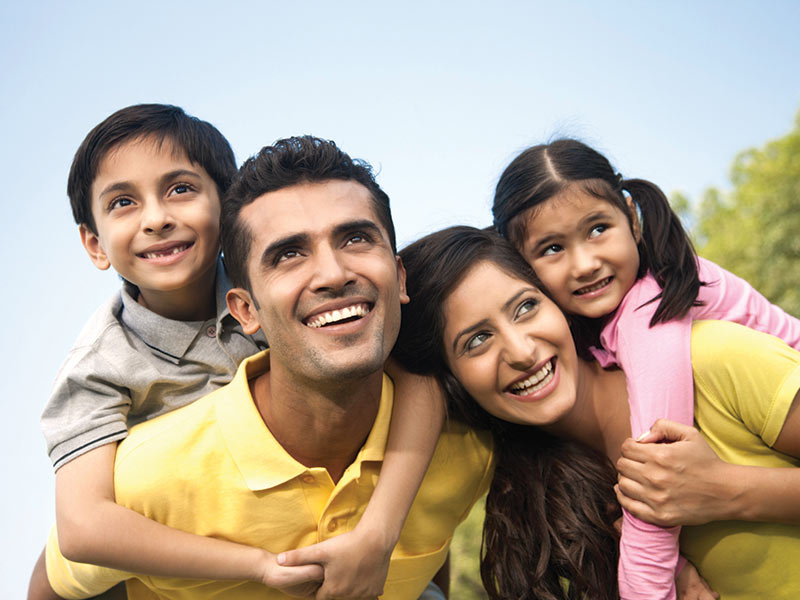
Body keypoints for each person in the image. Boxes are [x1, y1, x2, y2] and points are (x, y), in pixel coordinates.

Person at [41, 136, 494, 600]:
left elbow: (415, 370)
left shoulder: (465, 449)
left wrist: (381, 534)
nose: (157, 219)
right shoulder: (102, 381)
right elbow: (81, 532)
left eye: (180, 190)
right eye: (289, 253)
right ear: (245, 309)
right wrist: (260, 566)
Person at [393, 225, 800, 600]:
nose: (522, 351)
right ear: (451, 382)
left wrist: (726, 490)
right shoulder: (542, 499)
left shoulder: (711, 360)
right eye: (478, 340)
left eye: (526, 307)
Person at [491, 139, 800, 599]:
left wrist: (648, 589)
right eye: (553, 248)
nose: (585, 263)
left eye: (597, 229)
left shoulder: (648, 315)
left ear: (632, 219)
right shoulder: (599, 335)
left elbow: (656, 486)